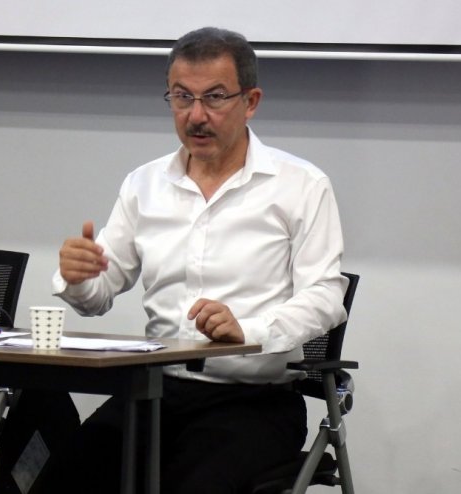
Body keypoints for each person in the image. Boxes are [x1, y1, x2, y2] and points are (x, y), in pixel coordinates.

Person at [52, 27, 347, 493]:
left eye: (214, 97)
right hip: (154, 393)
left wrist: (247, 331)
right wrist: (78, 278)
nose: (195, 116)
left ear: (250, 101)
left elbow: (326, 297)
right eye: (181, 97)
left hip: (253, 403)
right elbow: (98, 296)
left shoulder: (301, 186)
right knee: (61, 478)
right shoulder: (144, 184)